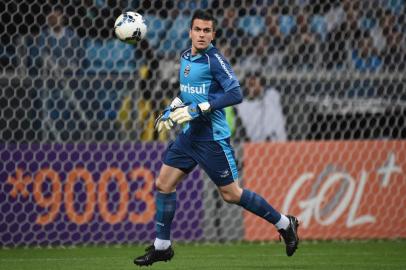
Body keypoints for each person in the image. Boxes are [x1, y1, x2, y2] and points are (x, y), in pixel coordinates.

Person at [133, 10, 299, 266]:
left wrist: (200, 108)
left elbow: (235, 94)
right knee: (164, 184)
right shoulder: (185, 56)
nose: (201, 35)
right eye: (197, 30)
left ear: (213, 34)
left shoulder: (215, 60)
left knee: (231, 194)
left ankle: (285, 224)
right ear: (189, 32)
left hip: (212, 139)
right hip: (189, 136)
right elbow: (186, 92)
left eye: (207, 31)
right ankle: (162, 246)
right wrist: (171, 107)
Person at [237, 72, 287, 142]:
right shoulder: (242, 106)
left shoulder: (272, 96)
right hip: (255, 145)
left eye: (255, 78)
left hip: (278, 143)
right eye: (248, 77)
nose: (252, 80)